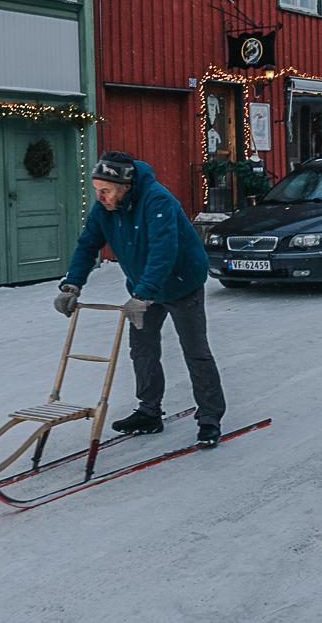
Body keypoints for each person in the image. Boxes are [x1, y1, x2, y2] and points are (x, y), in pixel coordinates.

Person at [54, 151, 226, 447]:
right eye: (97, 190)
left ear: (126, 186)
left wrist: (143, 294)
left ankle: (210, 417)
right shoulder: (104, 208)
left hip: (181, 282)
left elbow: (164, 252)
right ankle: (149, 411)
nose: (101, 197)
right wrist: (72, 285)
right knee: (142, 349)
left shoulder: (157, 201)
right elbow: (87, 245)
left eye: (106, 191)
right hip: (142, 287)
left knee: (195, 350)